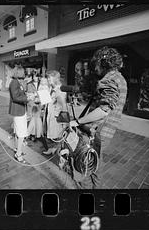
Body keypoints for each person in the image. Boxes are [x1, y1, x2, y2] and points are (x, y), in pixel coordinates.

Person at [69, 46, 127, 188]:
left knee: (86, 165)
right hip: (108, 130)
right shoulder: (120, 78)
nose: (95, 68)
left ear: (103, 62)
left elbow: (103, 110)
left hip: (98, 131)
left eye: (96, 64)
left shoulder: (109, 79)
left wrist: (77, 121)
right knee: (95, 162)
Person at [9, 66, 34, 163]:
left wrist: (26, 95)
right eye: (23, 71)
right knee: (22, 133)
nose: (24, 73)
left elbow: (19, 94)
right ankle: (18, 154)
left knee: (17, 131)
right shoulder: (14, 82)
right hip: (18, 111)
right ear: (19, 72)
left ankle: (17, 149)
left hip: (20, 110)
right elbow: (15, 97)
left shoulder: (16, 82)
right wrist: (28, 98)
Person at [42, 70, 68, 155]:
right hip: (49, 113)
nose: (48, 79)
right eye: (48, 77)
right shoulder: (51, 88)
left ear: (55, 78)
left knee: (57, 134)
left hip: (56, 116)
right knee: (50, 132)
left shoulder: (60, 89)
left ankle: (57, 150)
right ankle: (52, 148)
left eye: (50, 77)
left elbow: (63, 106)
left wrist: (64, 121)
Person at [26, 71, 43, 142]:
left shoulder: (41, 84)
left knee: (37, 119)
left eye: (37, 76)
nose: (36, 78)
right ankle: (32, 134)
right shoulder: (29, 84)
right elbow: (28, 93)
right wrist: (35, 94)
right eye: (34, 76)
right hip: (32, 103)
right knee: (32, 119)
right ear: (33, 77)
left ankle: (37, 134)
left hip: (39, 104)